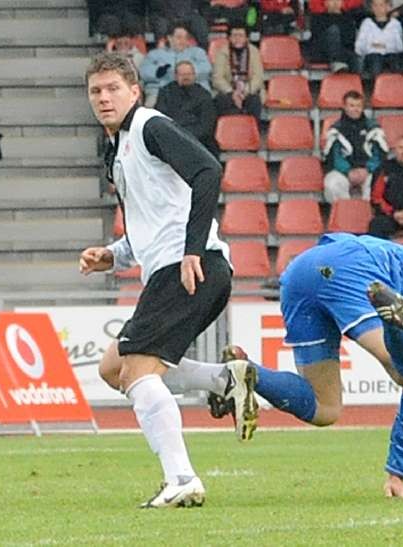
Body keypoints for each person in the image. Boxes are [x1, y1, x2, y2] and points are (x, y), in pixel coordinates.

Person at [208, 232, 403, 496]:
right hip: (353, 267)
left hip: (301, 274)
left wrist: (397, 474)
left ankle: (247, 373)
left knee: (325, 408)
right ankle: (397, 321)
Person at [81, 52, 257, 509]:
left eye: (113, 88)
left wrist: (193, 248)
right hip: (176, 266)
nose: (104, 98)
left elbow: (208, 171)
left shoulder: (149, 126)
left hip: (191, 266)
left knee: (137, 369)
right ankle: (223, 380)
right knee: (111, 369)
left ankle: (180, 477)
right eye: (96, 91)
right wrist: (113, 254)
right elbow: (153, 216)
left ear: (134, 91)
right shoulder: (118, 147)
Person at [322, 90, 388, 203]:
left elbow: (379, 155)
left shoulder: (373, 128)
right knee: (332, 184)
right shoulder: (336, 130)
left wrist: (367, 169)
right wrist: (348, 171)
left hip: (368, 172)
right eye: (351, 105)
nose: (355, 109)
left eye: (358, 106)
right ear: (344, 106)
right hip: (343, 172)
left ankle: (369, 214)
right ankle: (345, 214)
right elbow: (334, 157)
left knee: (384, 181)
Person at [155, 61, 218, 155]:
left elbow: (207, 126)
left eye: (189, 74)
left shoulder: (204, 95)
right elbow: (161, 119)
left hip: (199, 142)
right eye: (182, 74)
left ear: (194, 75)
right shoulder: (165, 93)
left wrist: (185, 137)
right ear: (176, 76)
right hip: (172, 140)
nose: (186, 77)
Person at [140, 24, 211, 104]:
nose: (183, 41)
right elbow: (144, 73)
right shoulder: (155, 54)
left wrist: (182, 73)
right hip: (160, 92)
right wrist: (162, 72)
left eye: (186, 38)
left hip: (194, 91)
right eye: (179, 37)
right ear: (169, 38)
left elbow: (206, 69)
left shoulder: (198, 52)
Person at [211, 23, 265, 121]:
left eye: (241, 36)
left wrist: (244, 92)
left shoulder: (254, 52)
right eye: (234, 36)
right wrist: (232, 93)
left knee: (255, 100)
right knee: (221, 100)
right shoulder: (222, 53)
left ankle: (251, 130)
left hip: (249, 90)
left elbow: (258, 77)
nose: (237, 39)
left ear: (247, 38)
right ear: (229, 38)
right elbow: (217, 78)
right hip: (228, 90)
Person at [354, 0, 403, 79]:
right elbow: (359, 47)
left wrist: (384, 46)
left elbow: (399, 46)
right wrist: (373, 47)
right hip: (372, 55)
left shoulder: (395, 24)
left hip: (391, 55)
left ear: (388, 7)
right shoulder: (366, 23)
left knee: (396, 66)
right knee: (376, 63)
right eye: (375, 5)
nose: (378, 8)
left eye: (381, 5)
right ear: (372, 7)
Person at [309, 0, 359, 73]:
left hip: (342, 51)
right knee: (333, 30)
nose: (335, 2)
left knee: (357, 59)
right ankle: (336, 61)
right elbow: (316, 38)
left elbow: (350, 40)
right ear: (325, 3)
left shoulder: (348, 19)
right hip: (323, 51)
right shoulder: (318, 18)